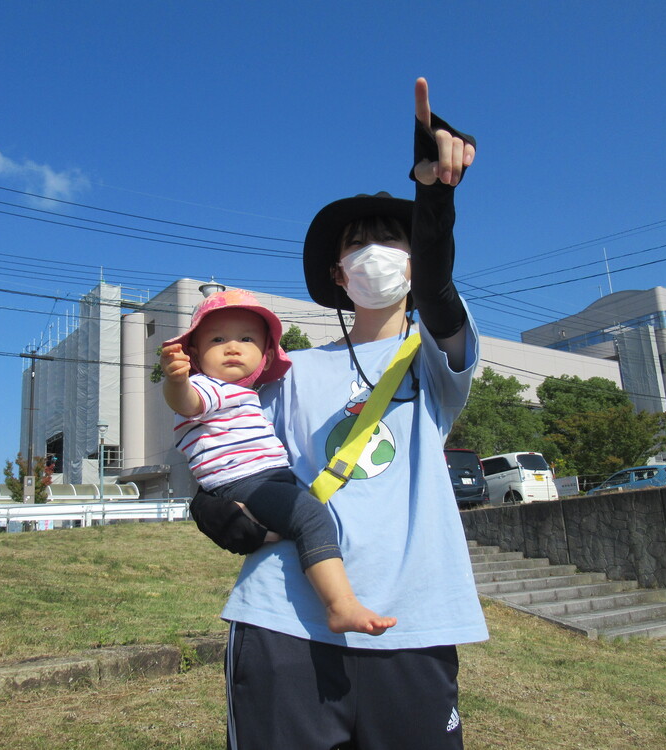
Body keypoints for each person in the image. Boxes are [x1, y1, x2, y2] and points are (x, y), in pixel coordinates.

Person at [207, 78, 490, 750]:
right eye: (358, 243)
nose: (375, 252)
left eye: (393, 239)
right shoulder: (287, 371)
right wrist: (218, 512)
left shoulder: (436, 361)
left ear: (415, 258)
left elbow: (443, 292)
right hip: (285, 622)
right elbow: (232, 467)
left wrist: (434, 196)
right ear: (338, 274)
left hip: (412, 623)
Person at [160, 288, 397, 636]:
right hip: (246, 481)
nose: (232, 346)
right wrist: (176, 380)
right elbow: (187, 402)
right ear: (195, 354)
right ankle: (340, 604)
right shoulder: (209, 387)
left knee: (301, 516)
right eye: (218, 339)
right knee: (311, 515)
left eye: (245, 338)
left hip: (261, 479)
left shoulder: (245, 393)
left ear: (267, 357)